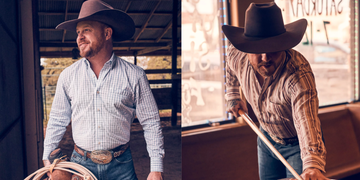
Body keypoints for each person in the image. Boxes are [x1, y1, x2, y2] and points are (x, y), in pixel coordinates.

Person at [42, 0, 164, 180]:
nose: (80, 37)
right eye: (78, 32)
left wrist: (156, 169)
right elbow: (58, 120)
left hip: (121, 166)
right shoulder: (68, 76)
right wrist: (47, 158)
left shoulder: (135, 75)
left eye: (87, 30)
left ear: (107, 33)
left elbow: (151, 122)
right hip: (80, 164)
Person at [222, 2, 328, 180]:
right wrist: (233, 95)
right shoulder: (237, 54)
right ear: (246, 48)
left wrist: (312, 165)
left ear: (283, 44)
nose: (265, 58)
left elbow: (306, 121)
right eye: (257, 51)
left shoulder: (298, 74)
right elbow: (231, 68)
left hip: (297, 145)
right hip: (266, 139)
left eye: (272, 49)